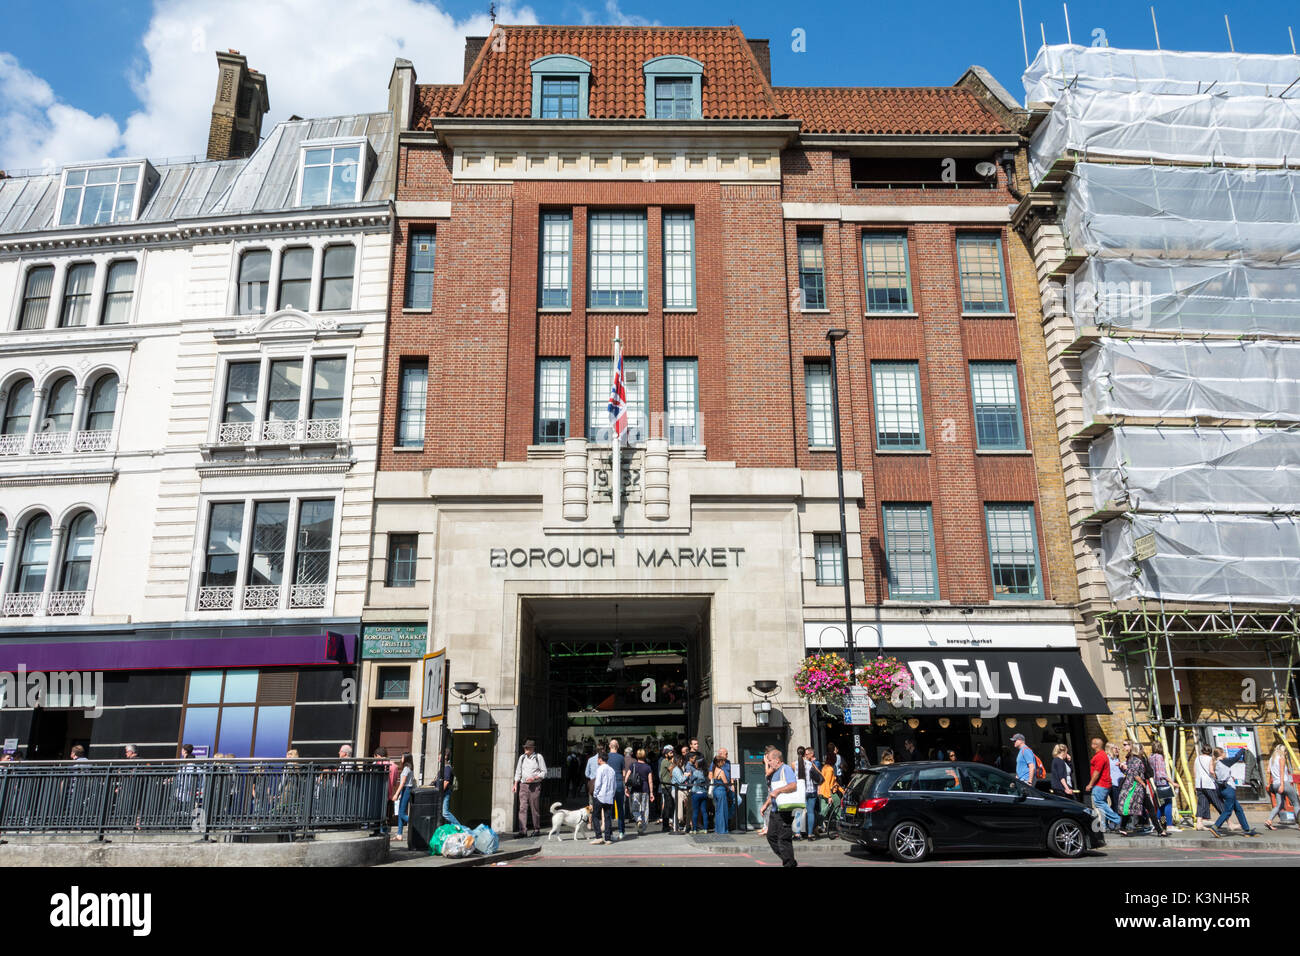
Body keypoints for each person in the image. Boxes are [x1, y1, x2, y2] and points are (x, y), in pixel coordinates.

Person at [1208, 747, 1260, 838]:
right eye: (1224, 752)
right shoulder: (1224, 762)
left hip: (1222, 789)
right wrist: (1243, 750)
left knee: (1238, 809)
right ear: (1221, 754)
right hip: (1228, 789)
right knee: (1228, 811)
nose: (1225, 754)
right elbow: (1236, 758)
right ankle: (1215, 827)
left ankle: (1247, 829)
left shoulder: (1215, 763)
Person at [759, 748, 799, 867]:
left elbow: (793, 785)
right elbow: (772, 792)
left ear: (777, 760)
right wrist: (765, 805)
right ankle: (790, 861)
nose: (769, 763)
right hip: (775, 811)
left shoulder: (786, 769)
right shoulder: (774, 772)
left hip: (785, 811)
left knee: (783, 840)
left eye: (770, 760)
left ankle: (789, 863)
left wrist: (779, 790)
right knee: (771, 837)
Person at [1085, 737, 1122, 833]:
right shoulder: (1102, 755)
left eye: (1092, 743)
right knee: (1102, 805)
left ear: (1095, 745)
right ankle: (1103, 826)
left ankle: (1117, 819)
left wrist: (1090, 784)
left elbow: (1097, 772)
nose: (1091, 745)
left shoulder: (1100, 756)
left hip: (1101, 784)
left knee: (1099, 803)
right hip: (1104, 784)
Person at [512, 738, 547, 837]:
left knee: (534, 807)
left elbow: (544, 772)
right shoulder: (522, 758)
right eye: (525, 748)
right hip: (523, 785)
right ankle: (522, 831)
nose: (525, 749)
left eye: (527, 748)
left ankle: (536, 829)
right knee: (522, 808)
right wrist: (515, 784)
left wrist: (535, 778)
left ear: (532, 749)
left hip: (534, 785)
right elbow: (518, 771)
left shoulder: (538, 757)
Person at [1266, 743, 1299, 830]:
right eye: (1285, 752)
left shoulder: (1271, 759)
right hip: (1283, 783)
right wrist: (1282, 785)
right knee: (1296, 803)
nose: (1285, 754)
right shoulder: (1281, 758)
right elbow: (1281, 771)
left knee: (1279, 805)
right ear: (1283, 751)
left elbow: (1268, 771)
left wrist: (1270, 783)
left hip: (1275, 784)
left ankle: (1269, 820)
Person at [1148, 741, 1179, 831]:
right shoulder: (1159, 757)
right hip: (1163, 782)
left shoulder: (1151, 757)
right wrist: (1172, 783)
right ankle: (1169, 825)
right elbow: (1161, 773)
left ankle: (1158, 822)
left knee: (1163, 805)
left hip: (1156, 783)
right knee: (1168, 804)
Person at [1193, 744, 1224, 831]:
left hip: (1199, 784)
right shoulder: (1210, 759)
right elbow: (1211, 771)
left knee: (1201, 803)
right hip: (1209, 784)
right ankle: (1228, 821)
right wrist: (1216, 777)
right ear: (1210, 751)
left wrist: (1196, 784)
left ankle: (1199, 823)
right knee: (1217, 802)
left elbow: (1195, 771)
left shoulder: (1197, 758)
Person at [590, 750, 617, 846]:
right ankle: (608, 838)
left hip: (600, 796)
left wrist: (595, 794)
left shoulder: (600, 769)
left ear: (600, 760)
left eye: (598, 759)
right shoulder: (612, 770)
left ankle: (598, 837)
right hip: (609, 797)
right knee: (608, 817)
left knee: (595, 816)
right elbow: (614, 785)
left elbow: (598, 784)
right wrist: (612, 794)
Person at [795, 746, 823, 839]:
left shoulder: (794, 764)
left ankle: (797, 834)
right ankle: (810, 834)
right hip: (811, 791)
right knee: (810, 812)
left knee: (798, 812)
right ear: (804, 754)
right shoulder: (810, 764)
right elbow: (819, 774)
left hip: (800, 792)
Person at [818, 743, 844, 835]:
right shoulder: (830, 769)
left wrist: (842, 791)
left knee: (823, 811)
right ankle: (840, 828)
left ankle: (817, 826)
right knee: (838, 809)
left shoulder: (825, 767)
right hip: (829, 792)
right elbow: (830, 783)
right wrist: (830, 796)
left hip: (823, 792)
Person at [605, 738, 627, 840]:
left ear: (609, 746)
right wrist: (624, 784)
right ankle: (621, 831)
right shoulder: (621, 757)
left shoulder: (606, 757)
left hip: (609, 784)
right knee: (620, 808)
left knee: (608, 809)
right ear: (618, 747)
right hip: (618, 783)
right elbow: (624, 773)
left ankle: (609, 832)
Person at [628, 749, 654, 834]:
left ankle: (638, 819)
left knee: (635, 807)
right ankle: (642, 828)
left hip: (635, 789)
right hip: (645, 790)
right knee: (644, 809)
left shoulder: (633, 765)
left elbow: (627, 776)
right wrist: (651, 793)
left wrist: (626, 787)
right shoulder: (648, 767)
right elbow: (650, 781)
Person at [393, 754, 414, 840]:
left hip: (406, 789)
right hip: (406, 790)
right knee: (401, 811)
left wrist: (396, 794)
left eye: (402, 757)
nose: (401, 758)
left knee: (401, 813)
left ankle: (415, 822)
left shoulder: (406, 769)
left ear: (406, 759)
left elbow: (402, 783)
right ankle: (399, 834)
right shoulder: (410, 768)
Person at [439, 752, 463, 828]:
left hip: (445, 793)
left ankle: (460, 827)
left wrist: (440, 792)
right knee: (442, 813)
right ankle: (454, 828)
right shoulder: (444, 767)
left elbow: (446, 781)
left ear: (445, 756)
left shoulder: (447, 768)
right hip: (444, 793)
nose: (438, 758)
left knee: (445, 812)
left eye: (439, 756)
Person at [709, 754, 731, 834]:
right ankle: (722, 830)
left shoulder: (714, 769)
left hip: (715, 790)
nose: (724, 762)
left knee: (718, 810)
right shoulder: (721, 771)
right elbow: (726, 783)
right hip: (721, 791)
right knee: (722, 810)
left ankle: (718, 829)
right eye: (722, 761)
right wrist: (728, 788)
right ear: (719, 762)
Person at [658, 745, 677, 832]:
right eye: (670, 752)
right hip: (666, 786)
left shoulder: (668, 761)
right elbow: (672, 769)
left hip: (670, 785)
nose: (672, 754)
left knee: (670, 805)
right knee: (667, 806)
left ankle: (669, 823)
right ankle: (665, 825)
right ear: (666, 754)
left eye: (672, 752)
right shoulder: (664, 761)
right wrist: (674, 762)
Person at [672, 753, 691, 832]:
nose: (681, 761)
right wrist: (687, 775)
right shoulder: (676, 769)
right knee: (679, 808)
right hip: (678, 790)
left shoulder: (679, 768)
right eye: (680, 760)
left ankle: (676, 825)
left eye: (682, 760)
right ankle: (676, 825)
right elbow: (680, 780)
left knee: (679, 808)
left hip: (681, 790)